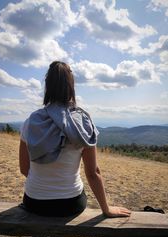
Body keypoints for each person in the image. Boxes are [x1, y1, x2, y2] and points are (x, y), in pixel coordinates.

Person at [19, 61, 131, 218]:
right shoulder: (83, 122)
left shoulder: (31, 122)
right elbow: (93, 173)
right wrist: (106, 209)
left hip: (34, 202)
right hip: (70, 204)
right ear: (71, 85)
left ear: (47, 86)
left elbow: (24, 169)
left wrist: (45, 188)